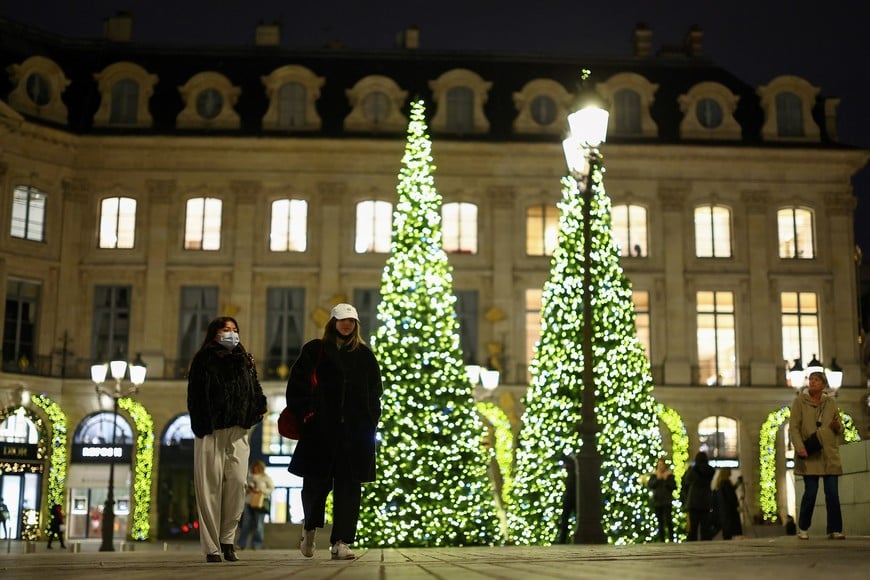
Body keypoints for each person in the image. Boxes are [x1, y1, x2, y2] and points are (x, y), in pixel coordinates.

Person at [286, 303, 382, 561]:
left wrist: (370, 420)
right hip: (320, 432)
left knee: (349, 489)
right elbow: (297, 385)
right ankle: (309, 527)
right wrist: (308, 415)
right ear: (333, 322)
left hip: (354, 434)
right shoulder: (315, 350)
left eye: (351, 320)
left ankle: (341, 542)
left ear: (356, 324)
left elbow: (375, 392)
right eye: (342, 320)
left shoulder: (364, 355)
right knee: (315, 486)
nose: (346, 324)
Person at [187, 316, 268, 563]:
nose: (231, 334)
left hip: (239, 430)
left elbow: (254, 390)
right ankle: (212, 547)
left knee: (236, 483)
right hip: (212, 429)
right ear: (215, 334)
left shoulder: (245, 359)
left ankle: (228, 540)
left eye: (235, 330)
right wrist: (202, 424)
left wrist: (255, 412)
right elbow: (196, 395)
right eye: (226, 329)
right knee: (209, 487)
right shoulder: (204, 359)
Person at [788, 370, 845, 540]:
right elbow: (794, 428)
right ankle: (803, 527)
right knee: (810, 492)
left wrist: (837, 426)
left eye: (817, 380)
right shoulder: (799, 402)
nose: (813, 382)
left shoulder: (831, 403)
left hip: (829, 453)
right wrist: (799, 447)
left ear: (824, 384)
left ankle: (835, 529)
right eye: (811, 379)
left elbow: (840, 428)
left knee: (833, 493)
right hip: (810, 452)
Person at [237, 460, 275, 550]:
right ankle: (241, 544)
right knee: (245, 524)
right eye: (254, 467)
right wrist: (248, 490)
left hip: (260, 503)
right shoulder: (249, 477)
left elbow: (271, 489)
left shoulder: (266, 478)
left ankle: (257, 544)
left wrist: (262, 491)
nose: (255, 469)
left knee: (259, 525)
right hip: (249, 502)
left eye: (257, 467)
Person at [680, 451, 715, 541]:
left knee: (693, 529)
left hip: (694, 502)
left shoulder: (693, 470)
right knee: (705, 529)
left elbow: (687, 480)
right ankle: (707, 549)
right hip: (706, 501)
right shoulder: (710, 470)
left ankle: (692, 548)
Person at [647, 458, 676, 542]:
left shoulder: (669, 475)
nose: (660, 467)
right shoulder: (654, 475)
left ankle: (671, 539)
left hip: (667, 501)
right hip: (657, 502)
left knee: (668, 521)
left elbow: (673, 486)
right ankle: (662, 540)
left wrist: (666, 480)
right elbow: (650, 485)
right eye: (659, 465)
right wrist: (658, 479)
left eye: (662, 465)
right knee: (660, 522)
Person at [714, 467, 744, 540]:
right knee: (731, 530)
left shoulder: (720, 483)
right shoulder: (726, 482)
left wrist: (737, 484)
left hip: (724, 510)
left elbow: (730, 491)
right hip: (730, 510)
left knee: (727, 530)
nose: (731, 472)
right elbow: (730, 495)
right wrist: (737, 505)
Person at [555, 453, 577, 544]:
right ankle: (562, 540)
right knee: (565, 519)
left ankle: (562, 540)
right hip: (573, 497)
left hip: (571, 497)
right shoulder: (572, 468)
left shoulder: (572, 470)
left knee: (565, 519)